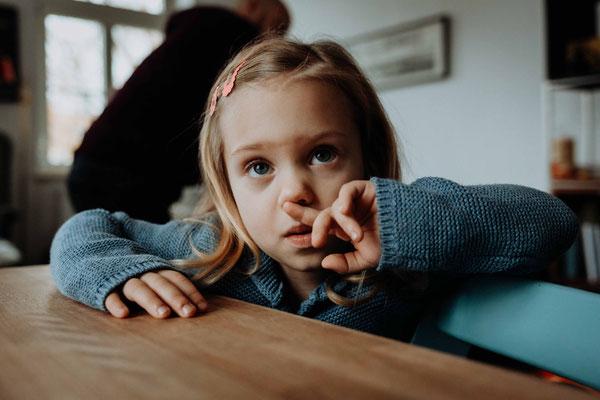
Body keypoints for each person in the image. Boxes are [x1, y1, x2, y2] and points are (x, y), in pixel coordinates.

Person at [51, 37, 578, 341]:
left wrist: (404, 225)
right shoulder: (210, 251)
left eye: (322, 155)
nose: (296, 192)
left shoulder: (410, 251)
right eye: (258, 167)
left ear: (368, 156)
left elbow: (551, 222)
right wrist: (119, 272)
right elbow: (90, 225)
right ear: (226, 185)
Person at [67, 0, 290, 223]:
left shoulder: (192, 34)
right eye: (277, 29)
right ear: (256, 11)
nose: (274, 40)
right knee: (146, 250)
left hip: (93, 158)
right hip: (122, 172)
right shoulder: (237, 38)